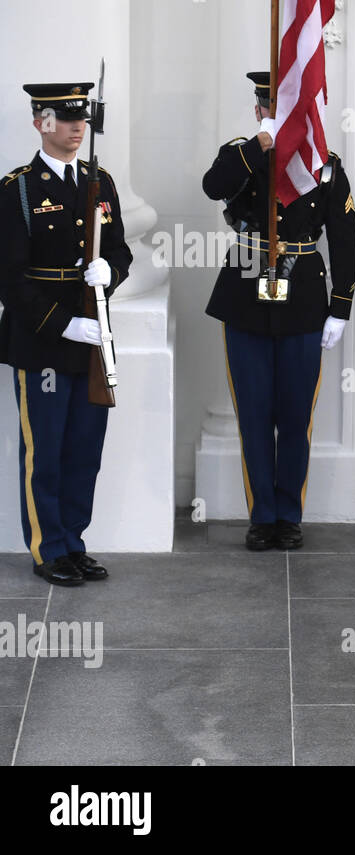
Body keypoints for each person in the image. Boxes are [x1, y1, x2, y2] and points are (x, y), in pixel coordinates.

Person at [202, 72, 355, 551]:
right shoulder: (241, 153)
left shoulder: (324, 165)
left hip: (304, 298)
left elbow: (345, 237)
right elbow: (214, 186)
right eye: (272, 108)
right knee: (253, 414)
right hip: (247, 289)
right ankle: (262, 515)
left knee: (295, 416)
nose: (283, 116)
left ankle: (288, 514)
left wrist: (341, 307)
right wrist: (261, 144)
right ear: (258, 111)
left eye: (291, 109)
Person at [0, 82, 131, 586]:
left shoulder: (101, 182)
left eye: (83, 119)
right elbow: (9, 278)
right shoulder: (19, 189)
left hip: (92, 333)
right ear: (41, 122)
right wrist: (62, 324)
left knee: (84, 448)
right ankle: (47, 547)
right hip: (43, 339)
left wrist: (109, 273)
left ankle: (74, 541)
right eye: (66, 118)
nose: (78, 127)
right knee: (46, 450)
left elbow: (119, 252)